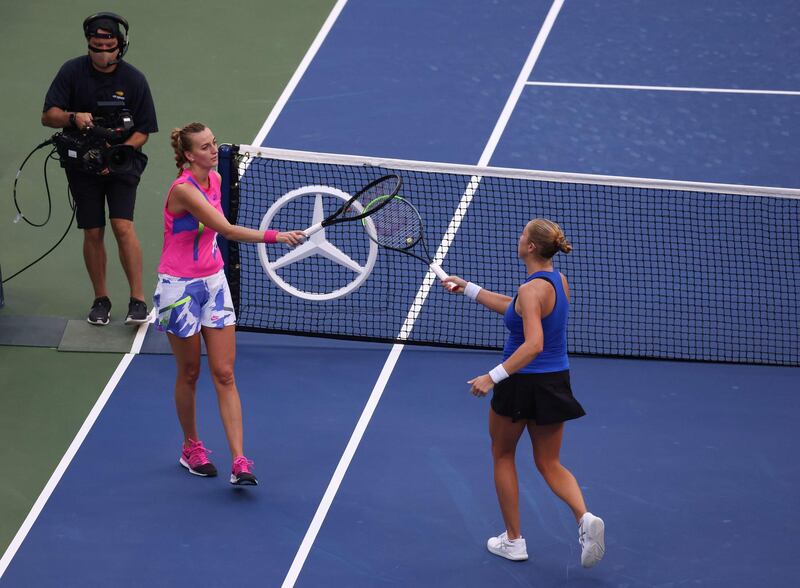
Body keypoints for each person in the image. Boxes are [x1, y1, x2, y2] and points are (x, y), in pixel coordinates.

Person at [443, 219, 605, 568]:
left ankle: (514, 541)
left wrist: (493, 376)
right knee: (549, 463)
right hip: (555, 383)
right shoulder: (557, 282)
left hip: (519, 383)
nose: (518, 238)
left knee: (503, 456)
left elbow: (533, 344)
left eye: (522, 235)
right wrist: (468, 288)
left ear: (531, 247)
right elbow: (516, 306)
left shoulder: (531, 290)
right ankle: (584, 518)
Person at [156, 122, 305, 485]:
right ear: (189, 155)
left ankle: (240, 461)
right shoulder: (184, 191)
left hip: (214, 283)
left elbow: (215, 235)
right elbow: (226, 230)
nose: (212, 150)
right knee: (190, 372)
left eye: (213, 143)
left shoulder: (217, 181)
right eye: (205, 147)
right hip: (179, 290)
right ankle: (191, 446)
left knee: (224, 373)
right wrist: (277, 236)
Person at [42, 12, 157, 326]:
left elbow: (144, 130)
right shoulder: (71, 72)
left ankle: (138, 300)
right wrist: (72, 117)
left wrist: (118, 152)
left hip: (122, 163)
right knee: (92, 230)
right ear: (88, 45)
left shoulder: (134, 79)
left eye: (109, 46)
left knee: (122, 227)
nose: (103, 52)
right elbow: (48, 115)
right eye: (96, 46)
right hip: (82, 166)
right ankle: (101, 300)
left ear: (121, 45)